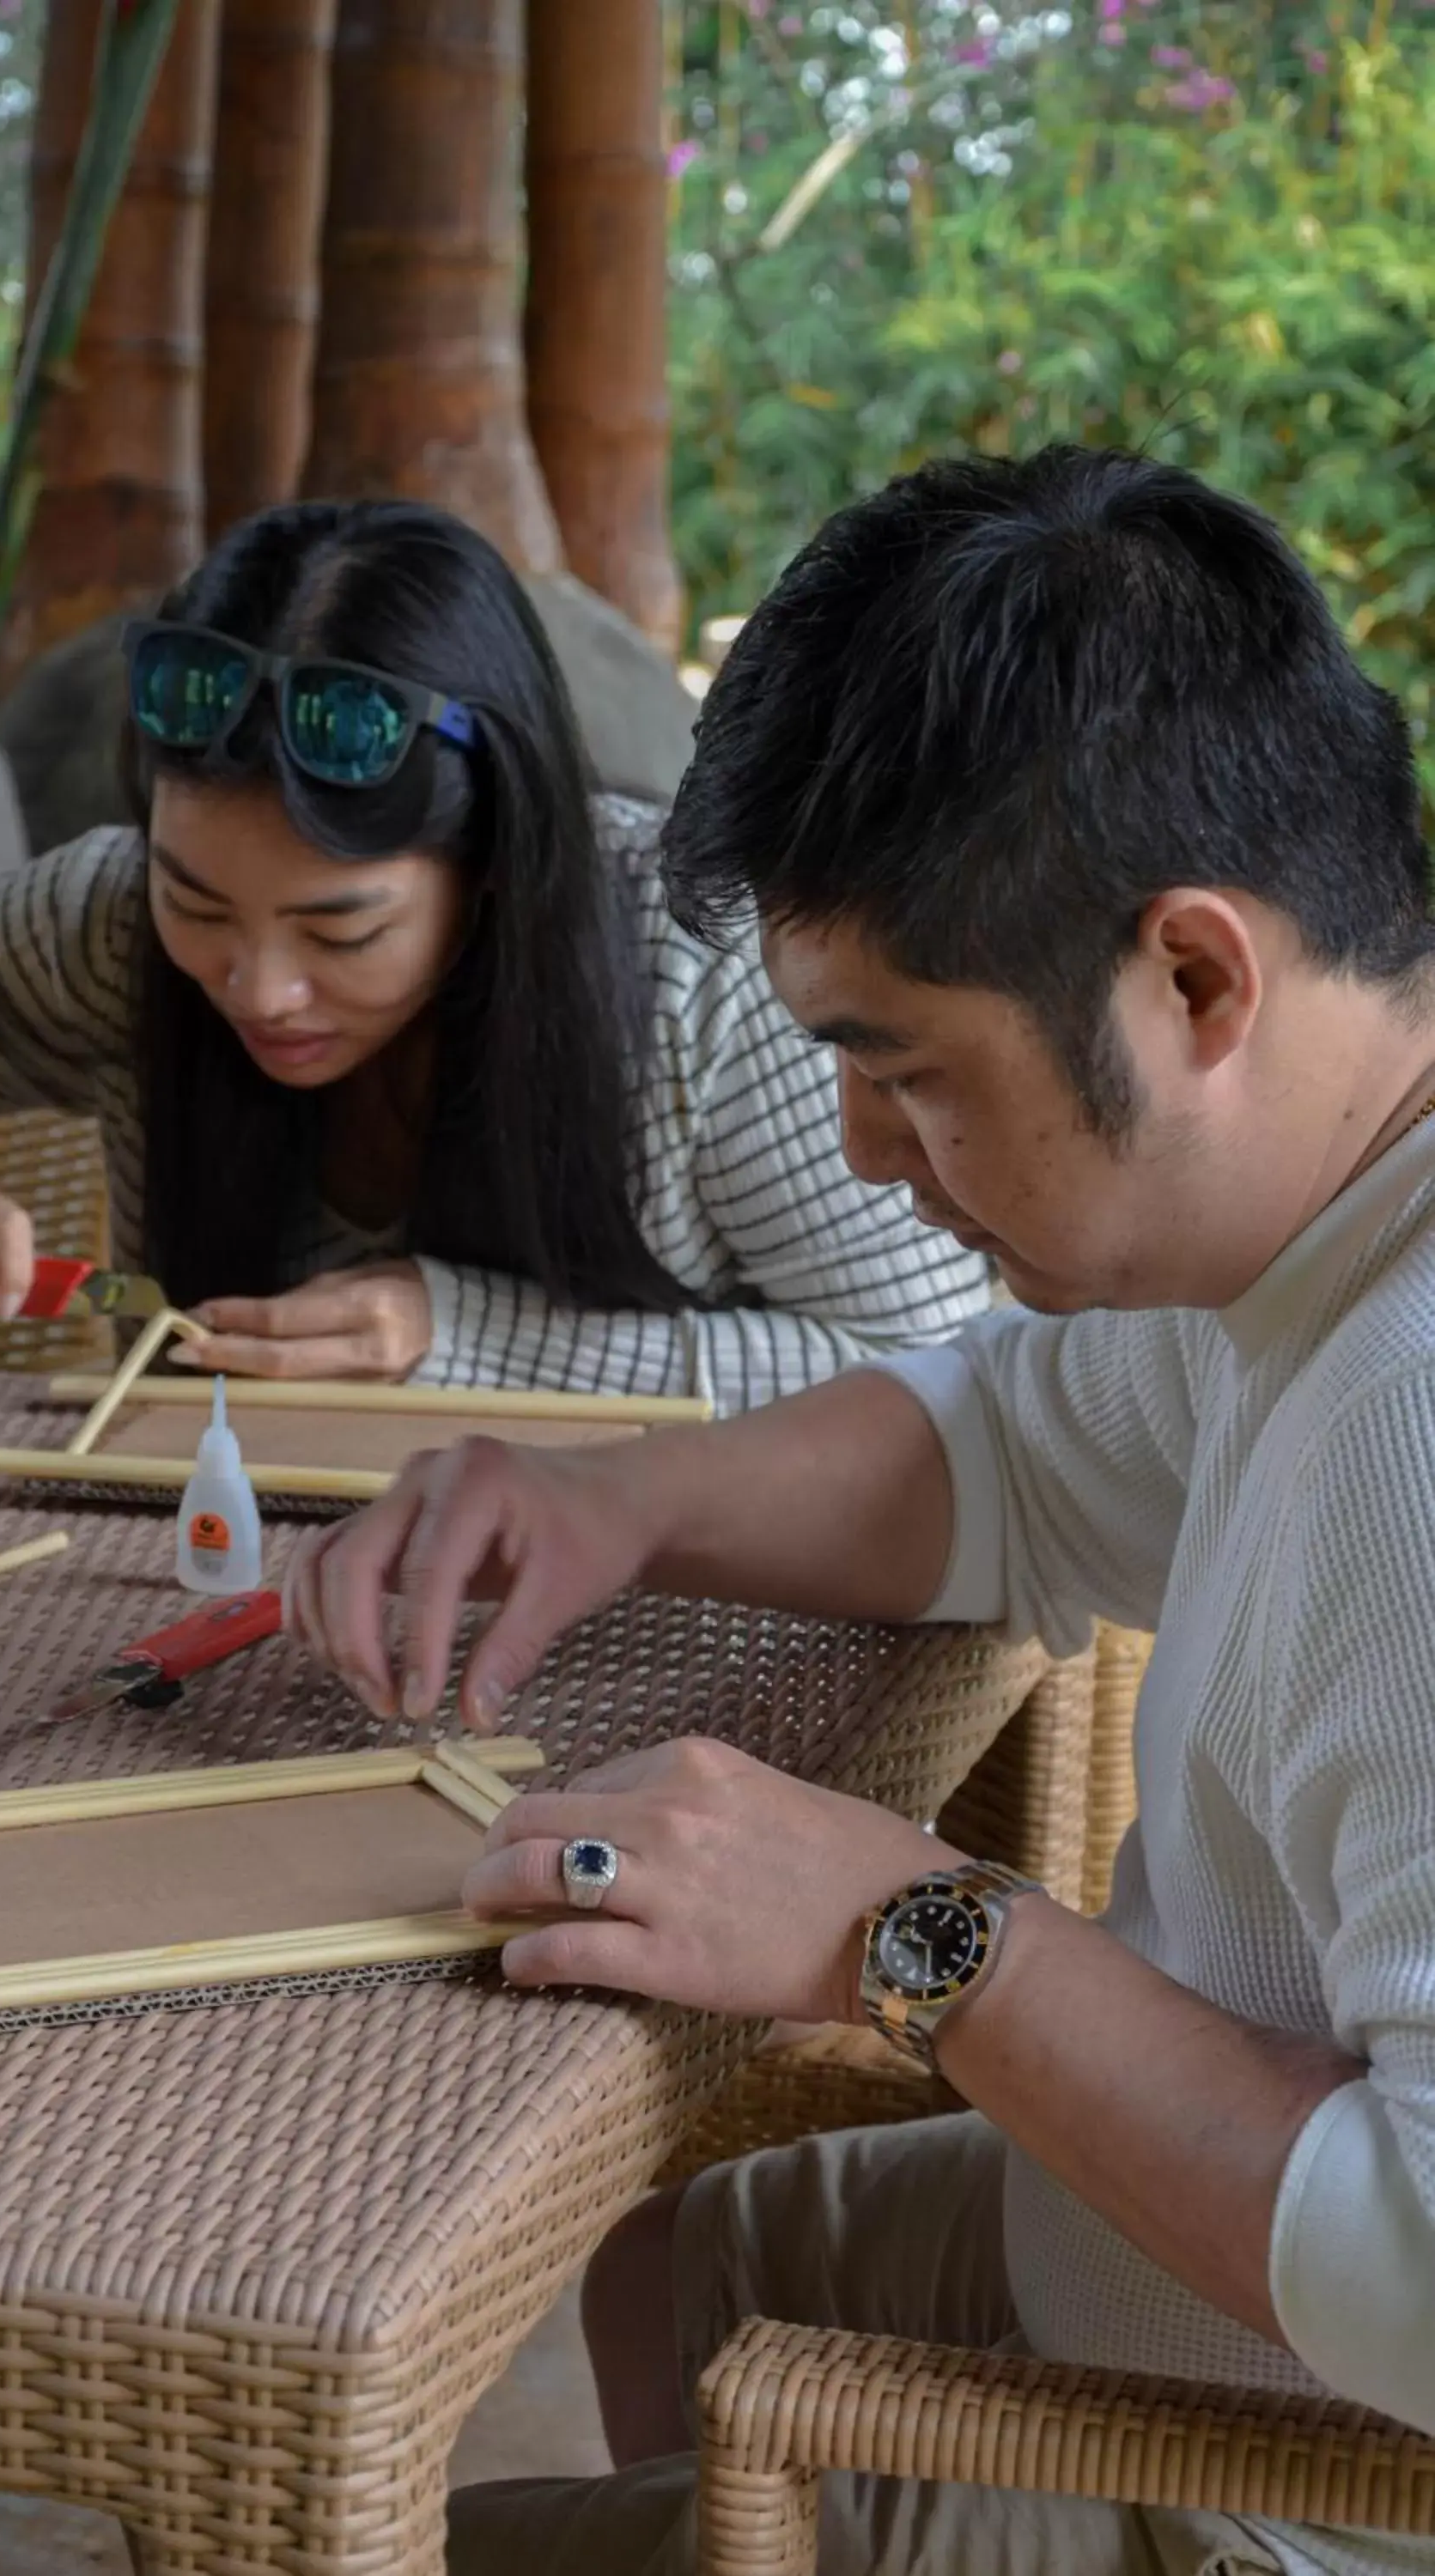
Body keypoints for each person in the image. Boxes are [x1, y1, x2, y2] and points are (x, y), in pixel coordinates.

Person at [288, 447, 1435, 2576]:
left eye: (905, 1069)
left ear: (1195, 983)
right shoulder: (1316, 1205)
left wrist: (911, 1930)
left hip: (1297, 2501)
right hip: (1163, 2288)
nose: (870, 1151)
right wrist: (612, 1504)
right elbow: (1004, 1448)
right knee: (693, 2249)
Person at [0, 501, 987, 1415]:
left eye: (340, 932)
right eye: (196, 901)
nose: (257, 986)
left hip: (684, 1610)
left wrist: (451, 1332)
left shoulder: (703, 973)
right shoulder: (108, 929)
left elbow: (937, 1371)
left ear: (497, 865)